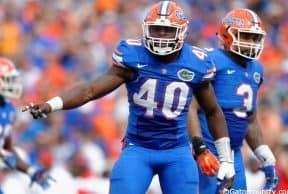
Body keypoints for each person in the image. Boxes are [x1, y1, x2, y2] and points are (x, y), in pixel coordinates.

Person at [23, 1, 235, 194]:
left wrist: (226, 159)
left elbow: (212, 110)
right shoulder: (133, 55)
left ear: (181, 32)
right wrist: (52, 105)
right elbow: (90, 90)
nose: (161, 36)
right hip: (138, 149)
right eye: (156, 30)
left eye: (167, 30)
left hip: (177, 153)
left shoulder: (196, 62)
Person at [188, 8, 279, 193]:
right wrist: (199, 147)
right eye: (246, 36)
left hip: (234, 153)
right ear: (227, 35)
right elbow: (191, 107)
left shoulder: (256, 69)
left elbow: (249, 118)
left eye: (255, 38)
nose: (251, 43)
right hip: (208, 149)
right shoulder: (212, 60)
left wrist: (263, 153)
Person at [0, 57, 54, 191]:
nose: (12, 84)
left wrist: (30, 170)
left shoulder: (8, 108)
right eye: (8, 80)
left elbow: (7, 147)